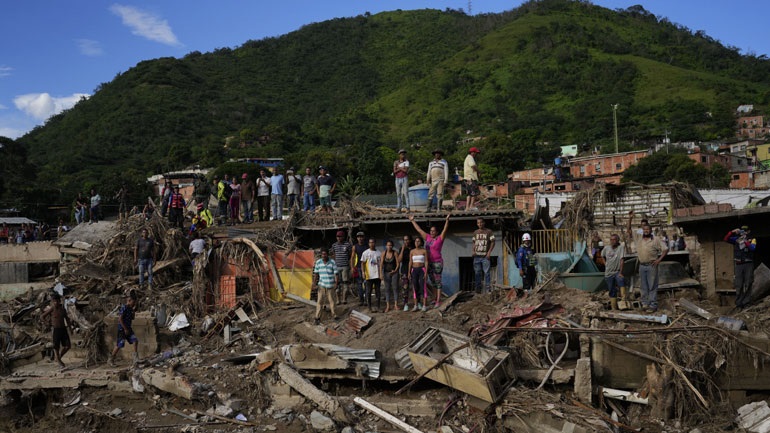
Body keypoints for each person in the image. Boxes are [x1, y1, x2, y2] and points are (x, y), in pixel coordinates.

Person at [627, 211, 668, 313]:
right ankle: (645, 304)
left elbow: (665, 249)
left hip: (652, 265)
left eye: (648, 229)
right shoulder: (638, 238)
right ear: (642, 230)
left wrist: (659, 260)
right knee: (643, 286)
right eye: (644, 229)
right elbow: (628, 229)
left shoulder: (656, 239)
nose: (646, 231)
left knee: (652, 285)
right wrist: (630, 218)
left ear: (650, 230)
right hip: (642, 266)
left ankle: (653, 305)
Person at [408, 213, 450, 309]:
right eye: (431, 231)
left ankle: (438, 301)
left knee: (438, 282)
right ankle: (435, 298)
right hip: (429, 263)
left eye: (433, 231)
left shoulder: (440, 238)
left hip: (437, 262)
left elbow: (445, 229)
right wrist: (412, 220)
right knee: (433, 281)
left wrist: (447, 220)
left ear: (436, 232)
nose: (432, 232)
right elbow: (419, 230)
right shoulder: (427, 238)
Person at [724, 225, 757, 308]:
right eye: (742, 231)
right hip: (738, 264)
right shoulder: (736, 239)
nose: (743, 232)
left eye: (745, 231)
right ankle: (739, 303)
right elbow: (726, 239)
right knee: (739, 284)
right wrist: (732, 232)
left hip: (748, 263)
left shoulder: (752, 239)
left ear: (748, 231)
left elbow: (753, 248)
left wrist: (745, 241)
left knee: (748, 282)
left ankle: (746, 302)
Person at [40, 293, 72, 368]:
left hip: (63, 329)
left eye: (57, 301)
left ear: (59, 301)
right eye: (54, 301)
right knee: (56, 346)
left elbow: (67, 319)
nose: (56, 303)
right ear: (52, 302)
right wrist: (47, 323)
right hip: (55, 329)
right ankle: (59, 360)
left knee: (67, 346)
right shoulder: (52, 309)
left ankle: (58, 358)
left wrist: (70, 328)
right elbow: (42, 316)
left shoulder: (63, 309)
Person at [108, 292, 140, 366]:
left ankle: (135, 359)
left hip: (129, 328)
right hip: (122, 329)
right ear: (130, 300)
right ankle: (111, 359)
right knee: (119, 345)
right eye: (133, 302)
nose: (133, 303)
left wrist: (133, 311)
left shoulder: (130, 309)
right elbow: (120, 319)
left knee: (135, 341)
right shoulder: (124, 307)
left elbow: (133, 318)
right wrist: (125, 329)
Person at [312, 249, 339, 324]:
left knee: (332, 301)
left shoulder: (332, 262)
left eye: (325, 254)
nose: (324, 256)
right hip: (322, 285)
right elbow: (316, 274)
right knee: (319, 302)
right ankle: (317, 317)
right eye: (322, 254)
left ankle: (334, 315)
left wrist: (336, 284)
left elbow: (336, 274)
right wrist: (314, 284)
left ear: (328, 254)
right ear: (321, 255)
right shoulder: (318, 262)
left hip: (330, 285)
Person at [601, 234, 626, 310]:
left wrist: (621, 272)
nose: (612, 241)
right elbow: (602, 256)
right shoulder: (606, 248)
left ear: (617, 240)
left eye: (614, 239)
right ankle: (614, 307)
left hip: (617, 271)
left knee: (621, 281)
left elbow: (622, 260)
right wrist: (606, 264)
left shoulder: (620, 248)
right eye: (611, 240)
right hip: (608, 273)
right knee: (612, 290)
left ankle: (623, 301)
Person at [472, 218, 496, 293]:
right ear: (477, 224)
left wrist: (489, 252)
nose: (480, 224)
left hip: (485, 256)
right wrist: (473, 251)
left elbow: (493, 242)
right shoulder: (475, 232)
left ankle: (488, 289)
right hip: (477, 257)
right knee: (477, 273)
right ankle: (478, 290)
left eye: (481, 222)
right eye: (478, 223)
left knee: (487, 273)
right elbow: (474, 242)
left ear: (484, 223)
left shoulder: (489, 232)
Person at [331, 230, 353, 304]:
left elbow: (350, 255)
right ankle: (338, 300)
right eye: (337, 236)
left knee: (345, 283)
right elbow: (334, 255)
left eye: (340, 236)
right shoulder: (334, 245)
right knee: (337, 283)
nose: (339, 238)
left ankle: (344, 299)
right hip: (337, 267)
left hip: (345, 266)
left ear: (343, 237)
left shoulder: (348, 245)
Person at [361, 238, 382, 312]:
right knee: (368, 292)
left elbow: (380, 264)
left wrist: (380, 274)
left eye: (373, 242)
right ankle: (369, 307)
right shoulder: (365, 253)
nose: (371, 244)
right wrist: (363, 272)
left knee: (378, 292)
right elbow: (362, 263)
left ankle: (378, 307)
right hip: (369, 276)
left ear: (375, 243)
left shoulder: (379, 253)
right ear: (368, 244)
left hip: (377, 275)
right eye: (370, 242)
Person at [408, 237, 429, 312]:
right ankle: (416, 305)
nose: (417, 243)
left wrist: (426, 272)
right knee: (415, 287)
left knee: (423, 287)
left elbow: (426, 261)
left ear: (421, 242)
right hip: (414, 270)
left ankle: (424, 305)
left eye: (418, 241)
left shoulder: (424, 251)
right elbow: (410, 262)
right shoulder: (412, 251)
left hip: (422, 270)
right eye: (416, 241)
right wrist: (409, 272)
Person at [380, 239, 400, 312]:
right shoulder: (383, 253)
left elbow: (398, 263)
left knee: (395, 288)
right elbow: (381, 264)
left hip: (394, 272)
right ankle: (388, 306)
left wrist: (395, 270)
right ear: (386, 246)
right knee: (387, 289)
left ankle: (396, 305)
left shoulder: (395, 253)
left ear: (392, 246)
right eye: (388, 245)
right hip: (386, 272)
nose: (389, 246)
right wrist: (380, 273)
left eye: (390, 245)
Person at [350, 231, 368, 306]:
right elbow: (352, 257)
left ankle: (367, 300)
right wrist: (352, 267)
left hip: (366, 267)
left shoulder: (367, 246)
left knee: (366, 284)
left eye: (361, 237)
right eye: (358, 237)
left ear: (364, 237)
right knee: (359, 284)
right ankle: (361, 300)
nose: (360, 238)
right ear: (357, 238)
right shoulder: (355, 247)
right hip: (358, 267)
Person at [398, 235, 413, 309]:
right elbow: (399, 260)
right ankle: (405, 304)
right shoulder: (402, 249)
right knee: (405, 288)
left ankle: (418, 302)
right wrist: (403, 249)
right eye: (404, 240)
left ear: (410, 240)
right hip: (404, 271)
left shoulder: (413, 248)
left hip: (413, 270)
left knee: (416, 287)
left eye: (407, 240)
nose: (406, 241)